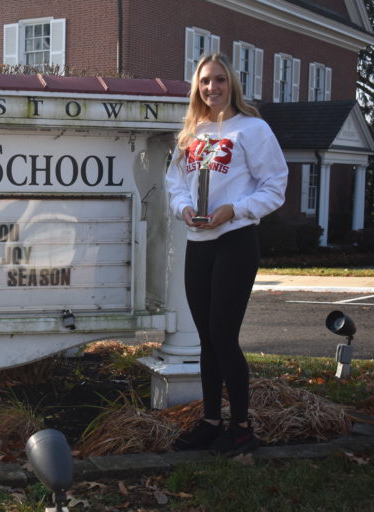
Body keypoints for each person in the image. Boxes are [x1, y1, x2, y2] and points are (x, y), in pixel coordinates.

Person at [166, 53, 288, 456]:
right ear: (196, 87)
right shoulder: (192, 132)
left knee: (223, 335)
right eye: (204, 81)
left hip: (235, 242)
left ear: (232, 83)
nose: (211, 88)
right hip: (198, 244)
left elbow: (275, 186)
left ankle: (241, 427)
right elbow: (175, 184)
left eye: (219, 80)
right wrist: (184, 209)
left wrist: (233, 210)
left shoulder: (253, 129)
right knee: (206, 340)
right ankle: (210, 422)